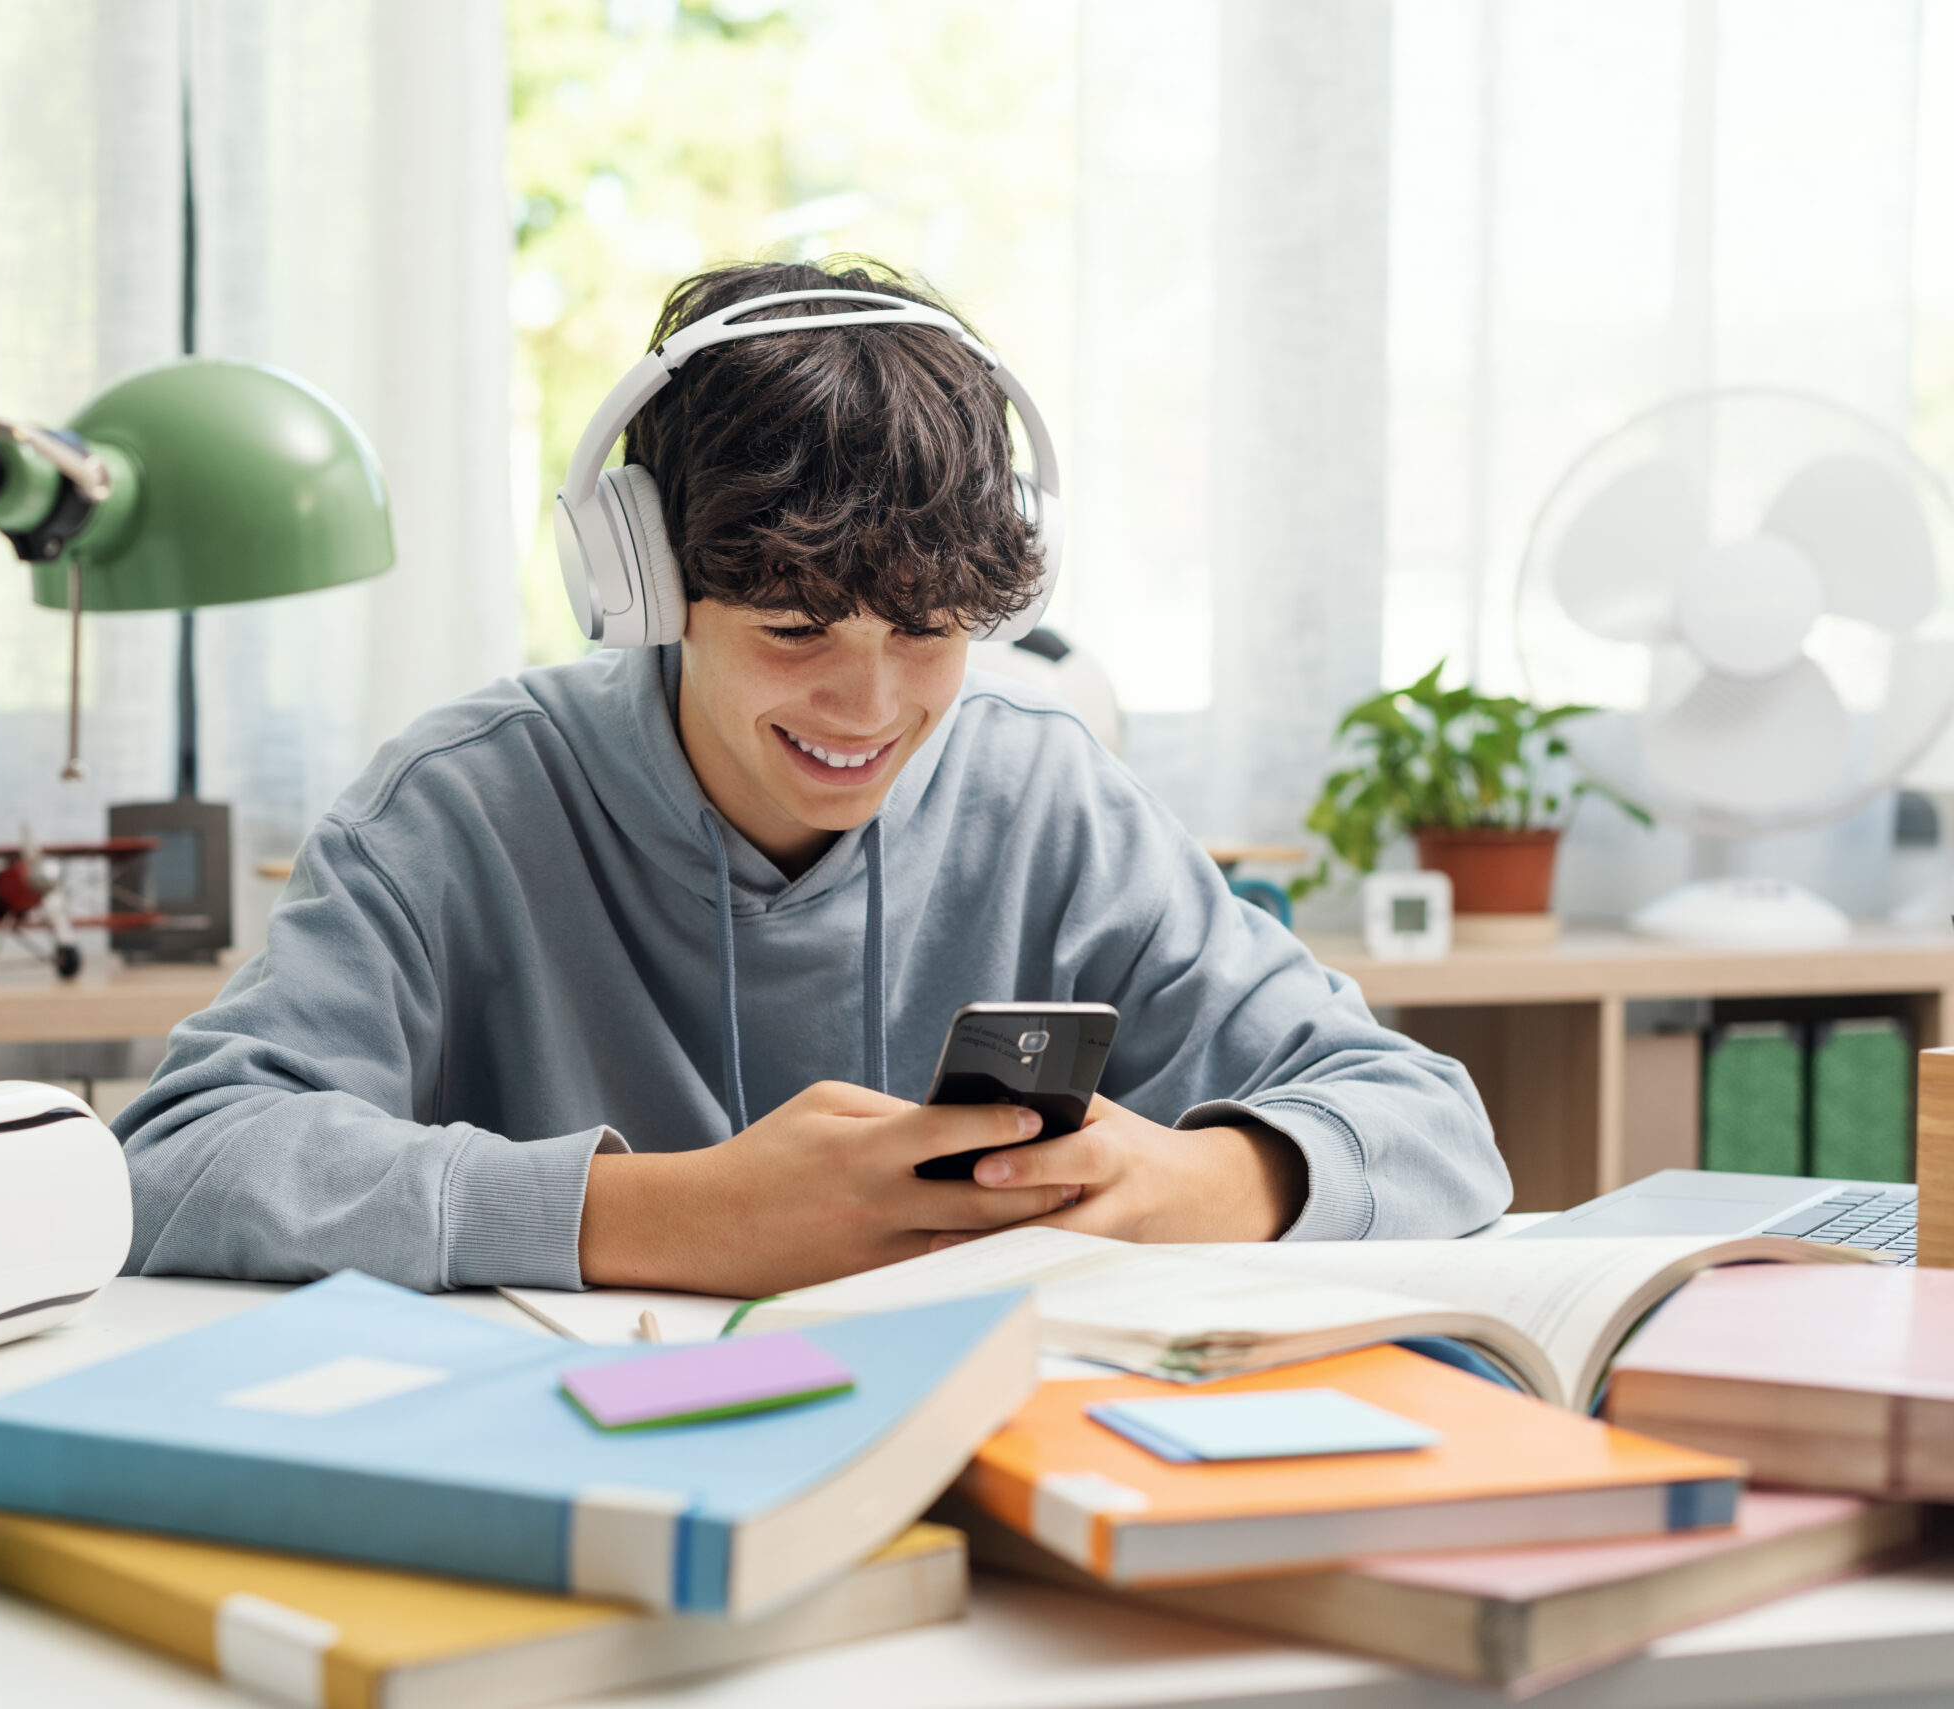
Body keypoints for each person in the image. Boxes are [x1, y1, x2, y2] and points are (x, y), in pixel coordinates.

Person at [116, 257, 1509, 1298]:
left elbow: (1435, 1126)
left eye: (926, 631)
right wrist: (661, 1214)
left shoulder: (1049, 799)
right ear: (649, 588)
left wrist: (1202, 1177)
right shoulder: (458, 804)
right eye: (795, 631)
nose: (871, 701)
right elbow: (178, 1156)